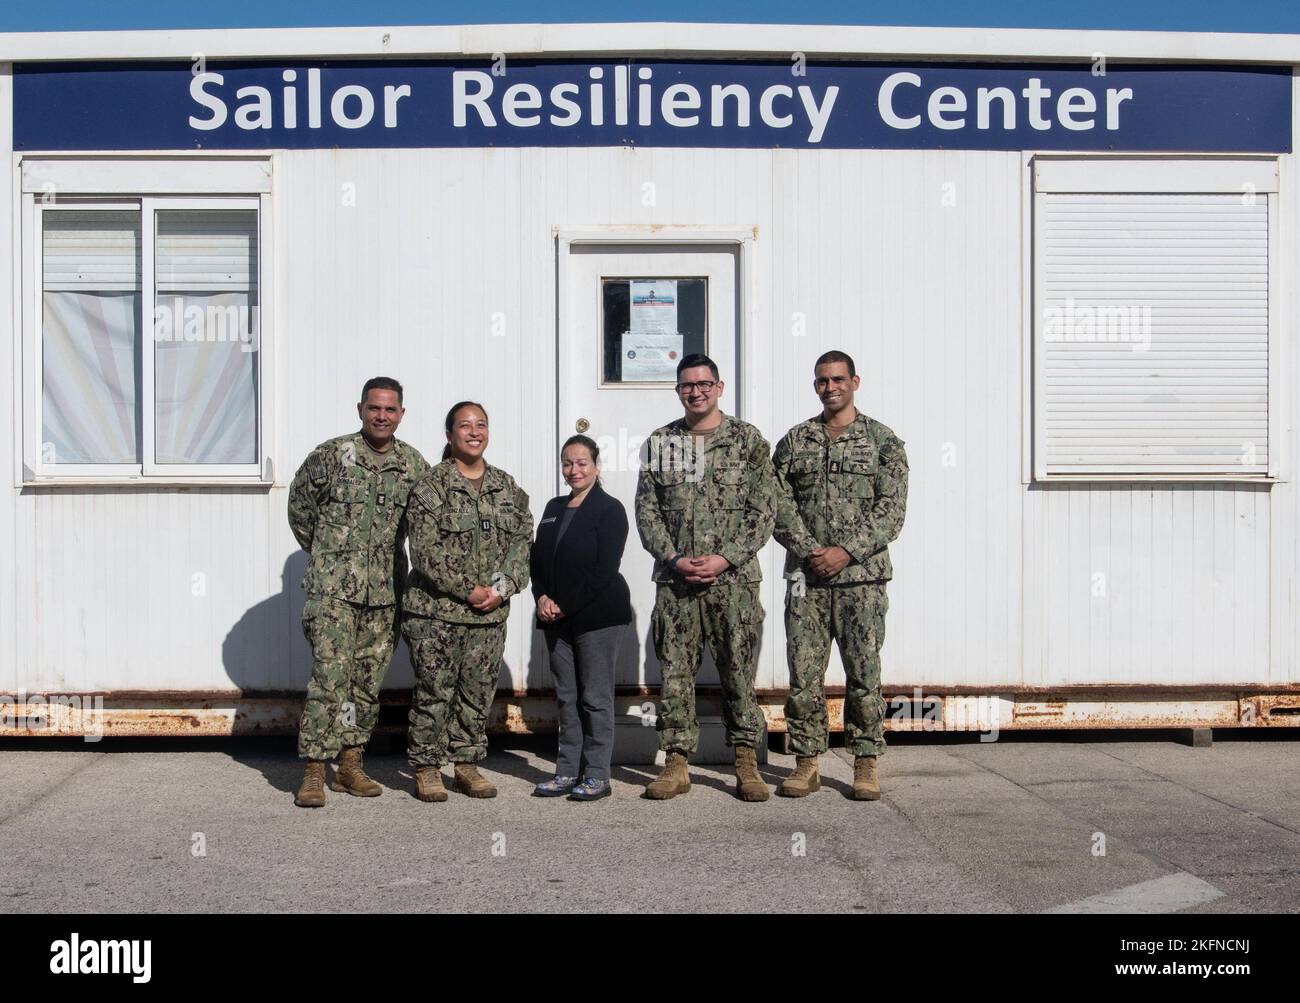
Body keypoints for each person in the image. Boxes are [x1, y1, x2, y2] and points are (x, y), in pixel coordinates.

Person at [634, 353, 776, 802]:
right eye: (686, 386)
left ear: (720, 386)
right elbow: (647, 510)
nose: (695, 392)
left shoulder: (747, 441)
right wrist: (674, 557)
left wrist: (725, 558)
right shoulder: (662, 442)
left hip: (733, 582)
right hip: (676, 584)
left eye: (703, 384)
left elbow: (763, 509)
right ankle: (676, 764)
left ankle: (746, 764)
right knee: (675, 674)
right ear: (679, 391)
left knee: (737, 672)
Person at [287, 377, 431, 808]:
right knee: (329, 681)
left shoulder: (413, 465)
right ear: (360, 410)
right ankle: (315, 769)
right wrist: (329, 555)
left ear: (401, 414)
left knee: (366, 685)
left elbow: (422, 523)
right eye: (374, 408)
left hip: (385, 594)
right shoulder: (333, 455)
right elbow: (300, 508)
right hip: (333, 592)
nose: (381, 416)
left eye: (390, 410)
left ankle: (350, 764)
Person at [771, 350, 908, 800]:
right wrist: (812, 551)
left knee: (864, 674)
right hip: (806, 579)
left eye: (837, 379)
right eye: (822, 381)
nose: (830, 388)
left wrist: (845, 551)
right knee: (804, 675)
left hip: (862, 581)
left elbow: (891, 512)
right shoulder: (796, 441)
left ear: (855, 382)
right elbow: (776, 504)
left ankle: (865, 763)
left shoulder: (883, 442)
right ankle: (807, 762)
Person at [402, 401, 533, 801]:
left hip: (488, 617)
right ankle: (426, 766)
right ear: (449, 435)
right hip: (436, 615)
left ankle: (466, 764)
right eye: (464, 425)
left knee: (477, 694)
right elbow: (424, 552)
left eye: (481, 424)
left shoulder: (508, 489)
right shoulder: (430, 487)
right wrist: (468, 589)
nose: (474, 432)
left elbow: (521, 546)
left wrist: (498, 588)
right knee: (435, 691)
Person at [530, 435, 633, 802]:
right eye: (568, 463)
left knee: (594, 697)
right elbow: (537, 560)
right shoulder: (553, 507)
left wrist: (563, 604)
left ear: (597, 466)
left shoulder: (610, 509)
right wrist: (541, 595)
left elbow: (604, 570)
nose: (574, 470)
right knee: (566, 697)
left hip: (598, 616)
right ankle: (566, 771)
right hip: (556, 617)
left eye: (582, 463)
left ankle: (597, 775)